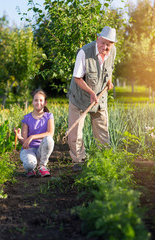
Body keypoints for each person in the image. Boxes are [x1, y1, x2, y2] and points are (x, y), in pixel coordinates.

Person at [68, 26, 117, 168]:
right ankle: (79, 161)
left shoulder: (112, 51)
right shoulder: (84, 52)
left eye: (109, 44)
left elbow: (110, 67)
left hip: (100, 98)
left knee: (103, 132)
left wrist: (109, 81)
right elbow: (77, 77)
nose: (105, 47)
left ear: (112, 44)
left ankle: (104, 161)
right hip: (80, 98)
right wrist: (90, 92)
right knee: (76, 133)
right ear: (97, 39)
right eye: (103, 43)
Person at [14, 89, 55, 177]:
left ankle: (42, 166)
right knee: (30, 165)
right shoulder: (26, 118)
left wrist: (32, 137)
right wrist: (19, 137)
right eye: (36, 100)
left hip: (42, 150)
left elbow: (50, 133)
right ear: (32, 102)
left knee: (49, 139)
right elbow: (25, 143)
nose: (38, 103)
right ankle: (31, 169)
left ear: (45, 103)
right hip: (29, 150)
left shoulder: (49, 116)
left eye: (41, 100)